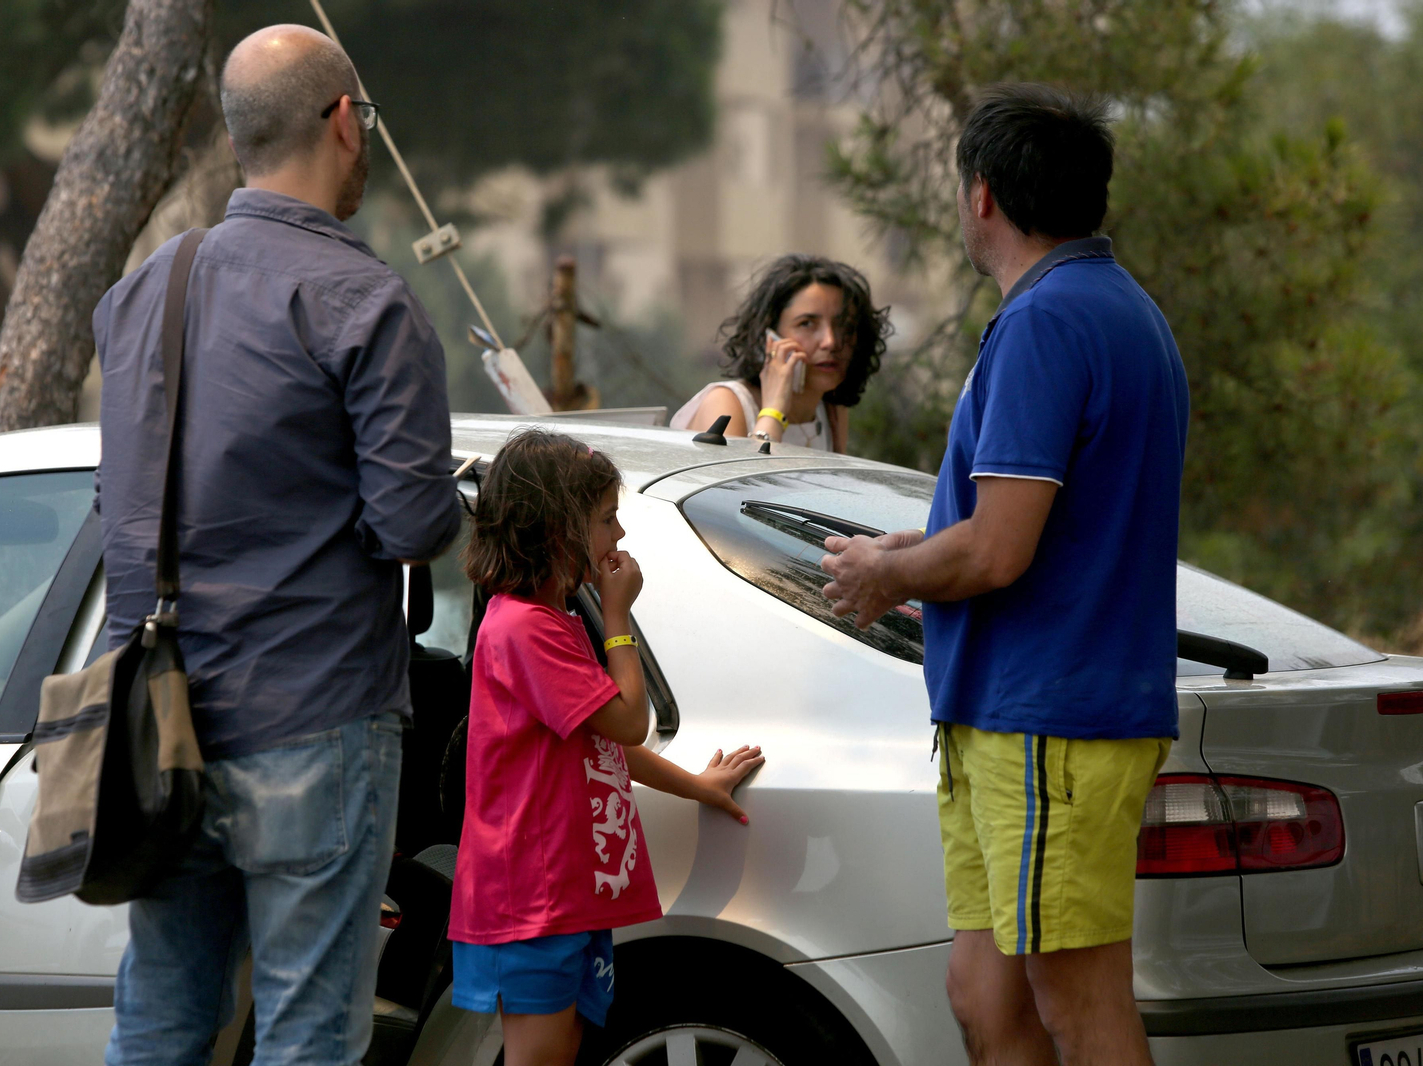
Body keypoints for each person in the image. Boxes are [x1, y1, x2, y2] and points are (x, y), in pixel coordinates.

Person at [93, 24, 461, 1065]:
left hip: (156, 723)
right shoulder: (364, 299)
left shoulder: (140, 294)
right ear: (345, 122)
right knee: (307, 1032)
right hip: (313, 710)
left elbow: (118, 499)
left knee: (160, 1015)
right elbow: (412, 526)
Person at [820, 84, 1188, 1066]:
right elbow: (1016, 529)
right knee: (984, 993)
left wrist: (882, 575)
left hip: (1048, 720)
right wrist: (895, 556)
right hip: (1019, 714)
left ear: (981, 195)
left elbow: (995, 549)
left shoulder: (1049, 321)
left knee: (1079, 1003)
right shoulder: (1115, 309)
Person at [450, 430, 764, 1066]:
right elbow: (627, 722)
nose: (618, 535)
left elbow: (600, 744)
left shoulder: (551, 620)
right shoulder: (523, 628)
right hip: (531, 897)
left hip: (563, 891)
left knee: (562, 1049)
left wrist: (695, 785)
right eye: (605, 519)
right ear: (557, 528)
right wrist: (617, 617)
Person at [670, 255, 891, 453]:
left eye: (845, 326)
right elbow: (739, 493)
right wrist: (773, 412)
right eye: (807, 324)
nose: (830, 342)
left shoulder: (832, 409)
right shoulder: (727, 403)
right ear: (769, 336)